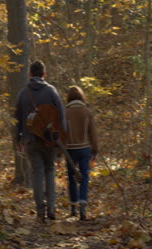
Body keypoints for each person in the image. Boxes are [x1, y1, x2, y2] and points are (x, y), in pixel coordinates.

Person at [15, 60, 66, 222]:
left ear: (30, 74)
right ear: (44, 74)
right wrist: (61, 139)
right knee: (50, 170)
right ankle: (51, 207)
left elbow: (17, 119)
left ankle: (40, 211)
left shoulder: (23, 93)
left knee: (37, 172)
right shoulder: (52, 91)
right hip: (49, 140)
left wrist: (18, 139)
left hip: (30, 139)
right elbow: (61, 116)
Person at [65, 86, 98, 221]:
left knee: (72, 177)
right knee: (84, 176)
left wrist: (59, 150)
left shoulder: (65, 112)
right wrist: (95, 149)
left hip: (69, 149)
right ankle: (83, 202)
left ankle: (73, 206)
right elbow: (93, 133)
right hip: (84, 148)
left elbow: (62, 132)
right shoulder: (87, 112)